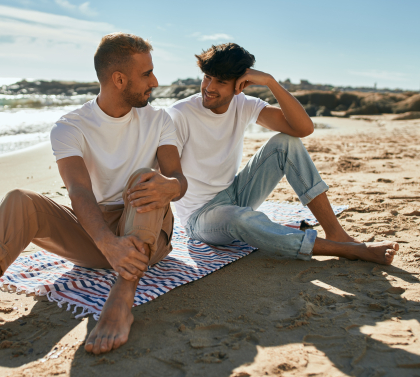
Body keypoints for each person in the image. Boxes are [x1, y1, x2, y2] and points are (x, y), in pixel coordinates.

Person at [0, 33, 187, 355]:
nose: (155, 81)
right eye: (146, 73)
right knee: (20, 199)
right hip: (98, 237)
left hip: (150, 234)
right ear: (119, 79)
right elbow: (78, 191)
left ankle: (121, 299)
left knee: (144, 178)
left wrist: (171, 186)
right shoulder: (71, 126)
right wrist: (108, 243)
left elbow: (177, 178)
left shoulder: (159, 120)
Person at [166, 43, 398, 265]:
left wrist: (270, 82)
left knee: (285, 142)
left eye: (221, 81)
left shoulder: (243, 104)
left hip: (236, 194)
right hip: (200, 217)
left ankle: (336, 233)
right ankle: (347, 250)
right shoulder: (180, 114)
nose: (209, 87)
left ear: (240, 85)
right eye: (207, 77)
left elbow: (302, 129)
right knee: (240, 219)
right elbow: (168, 175)